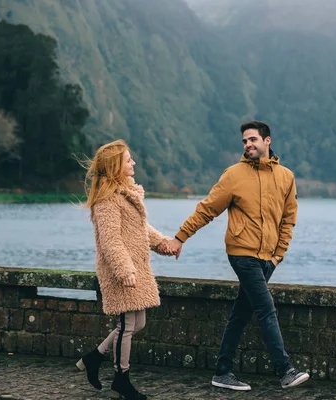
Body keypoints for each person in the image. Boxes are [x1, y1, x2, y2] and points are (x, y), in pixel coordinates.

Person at [166, 121, 310, 391]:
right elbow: (207, 209)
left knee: (241, 314)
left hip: (268, 259)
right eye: (244, 141)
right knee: (266, 309)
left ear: (267, 141)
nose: (248, 145)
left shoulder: (286, 177)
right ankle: (285, 370)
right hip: (241, 253)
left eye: (253, 139)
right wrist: (180, 237)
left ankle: (222, 371)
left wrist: (278, 256)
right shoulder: (233, 175)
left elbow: (288, 220)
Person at [76, 139, 173, 400]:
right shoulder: (107, 200)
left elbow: (140, 229)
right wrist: (124, 269)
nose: (134, 163)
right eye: (128, 160)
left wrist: (163, 243)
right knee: (127, 324)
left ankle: (94, 357)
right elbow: (111, 241)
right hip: (122, 272)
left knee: (136, 323)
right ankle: (121, 379)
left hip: (135, 269)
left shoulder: (126, 194)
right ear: (115, 166)